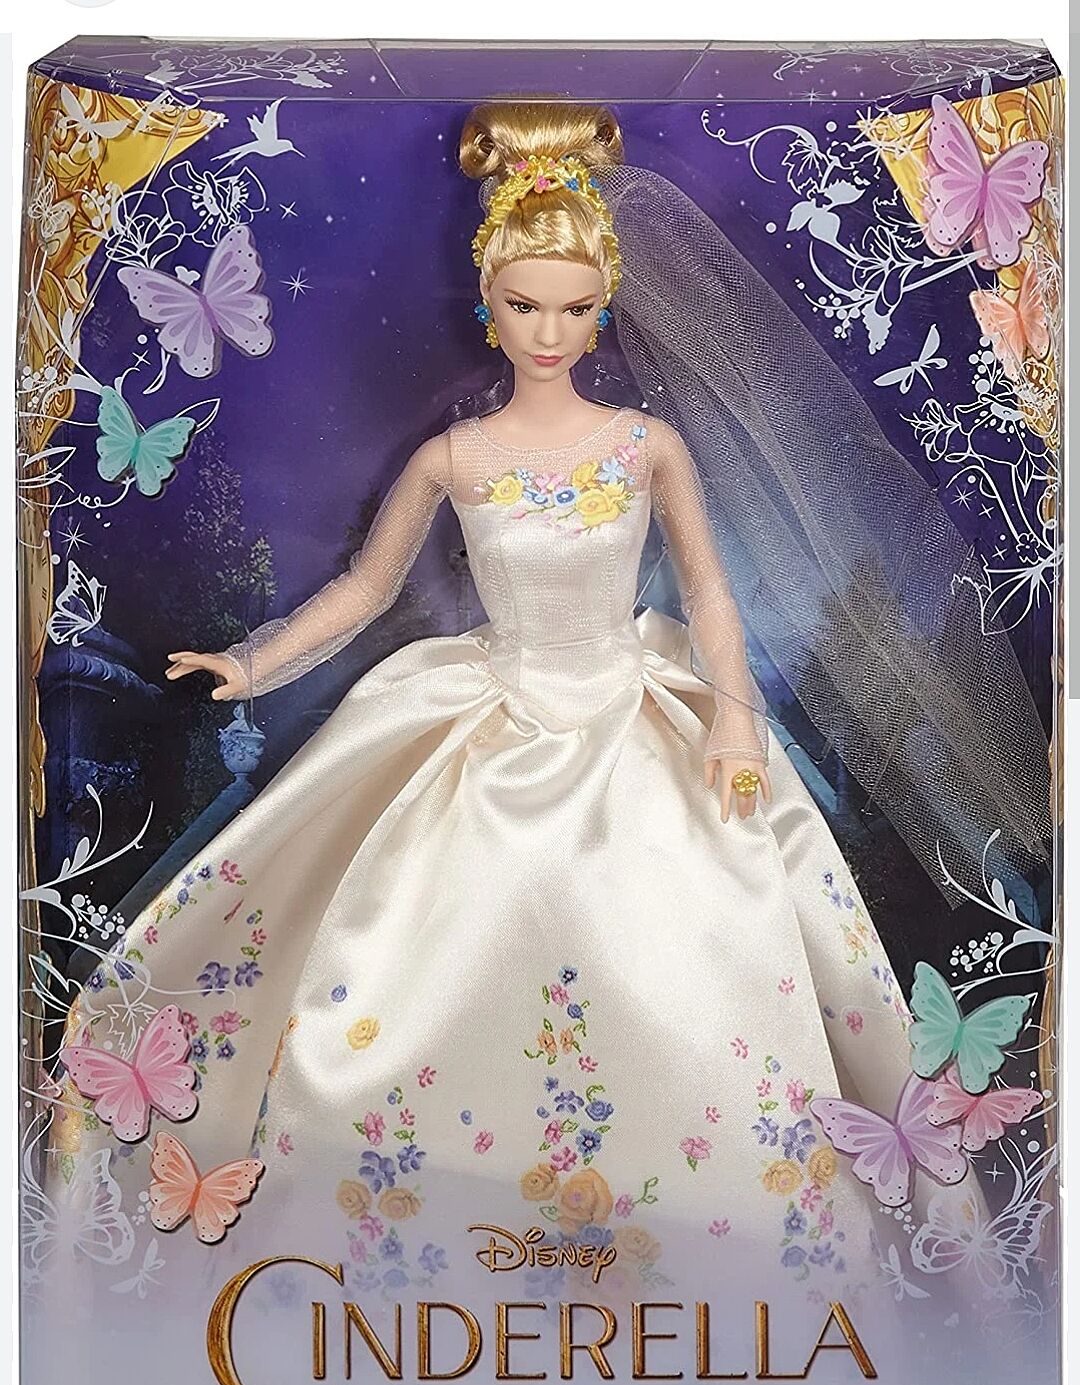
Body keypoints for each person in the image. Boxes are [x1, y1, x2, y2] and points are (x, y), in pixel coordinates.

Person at [61, 102, 1046, 1312]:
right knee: (433, 961)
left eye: (574, 308)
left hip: (639, 722)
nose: (549, 329)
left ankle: (713, 1237)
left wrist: (734, 715)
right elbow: (366, 588)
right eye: (526, 305)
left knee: (696, 961)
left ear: (604, 306)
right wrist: (252, 662)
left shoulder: (645, 445)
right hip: (489, 725)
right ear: (490, 302)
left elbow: (709, 592)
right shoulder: (456, 458)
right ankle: (430, 1237)